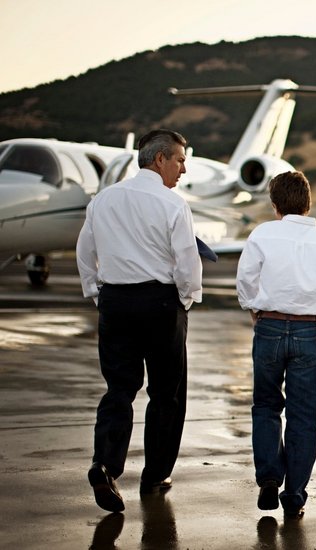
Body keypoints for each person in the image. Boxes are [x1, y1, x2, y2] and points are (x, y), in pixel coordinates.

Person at [76, 129, 203, 513]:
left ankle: (105, 465)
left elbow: (85, 250)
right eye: (180, 159)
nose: (183, 168)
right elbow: (186, 261)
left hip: (115, 302)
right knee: (166, 393)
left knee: (119, 389)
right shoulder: (172, 203)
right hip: (160, 304)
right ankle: (155, 475)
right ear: (160, 159)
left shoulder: (104, 200)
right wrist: (185, 299)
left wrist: (97, 293)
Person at [236, 171, 316, 519]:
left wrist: (253, 307)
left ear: (274, 204)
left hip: (269, 326)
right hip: (308, 333)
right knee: (304, 415)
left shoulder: (262, 234)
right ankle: (295, 494)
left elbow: (245, 279)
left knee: (265, 405)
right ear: (308, 203)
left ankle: (269, 478)